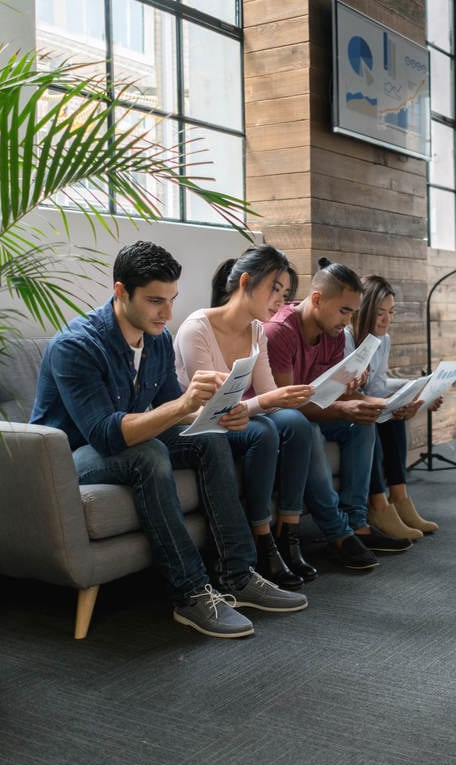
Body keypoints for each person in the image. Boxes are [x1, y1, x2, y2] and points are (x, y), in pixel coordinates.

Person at [30, 241, 306, 640]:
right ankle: (190, 593)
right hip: (69, 458)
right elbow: (107, 435)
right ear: (120, 291)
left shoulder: (156, 340)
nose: (168, 313)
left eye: (172, 299)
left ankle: (238, 574)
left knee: (209, 439)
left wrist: (217, 414)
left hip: (123, 442)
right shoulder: (76, 347)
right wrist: (183, 406)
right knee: (149, 454)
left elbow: (169, 411)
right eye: (155, 301)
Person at [176, 246, 330, 589]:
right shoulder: (196, 329)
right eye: (274, 289)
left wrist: (288, 398)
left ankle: (289, 531)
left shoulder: (257, 331)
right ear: (246, 282)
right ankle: (261, 536)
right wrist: (270, 400)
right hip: (200, 425)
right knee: (264, 432)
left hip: (234, 419)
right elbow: (214, 411)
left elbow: (267, 394)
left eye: (285, 293)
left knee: (295, 422)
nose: (280, 300)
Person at [265, 258, 413, 566]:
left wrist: (387, 403)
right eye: (344, 311)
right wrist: (344, 406)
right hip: (280, 417)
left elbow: (334, 391)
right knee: (312, 429)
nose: (347, 322)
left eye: (352, 313)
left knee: (362, 425)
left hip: (311, 410)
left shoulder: (332, 333)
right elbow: (285, 403)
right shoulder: (280, 332)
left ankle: (358, 522)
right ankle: (338, 533)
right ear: (317, 298)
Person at [345, 275, 442, 540]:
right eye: (379, 313)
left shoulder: (382, 340)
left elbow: (376, 386)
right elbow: (348, 392)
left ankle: (399, 498)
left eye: (391, 313)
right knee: (376, 417)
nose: (386, 320)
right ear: (364, 311)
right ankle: (378, 506)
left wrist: (414, 393)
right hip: (345, 407)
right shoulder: (346, 337)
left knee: (394, 416)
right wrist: (388, 401)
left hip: (366, 402)